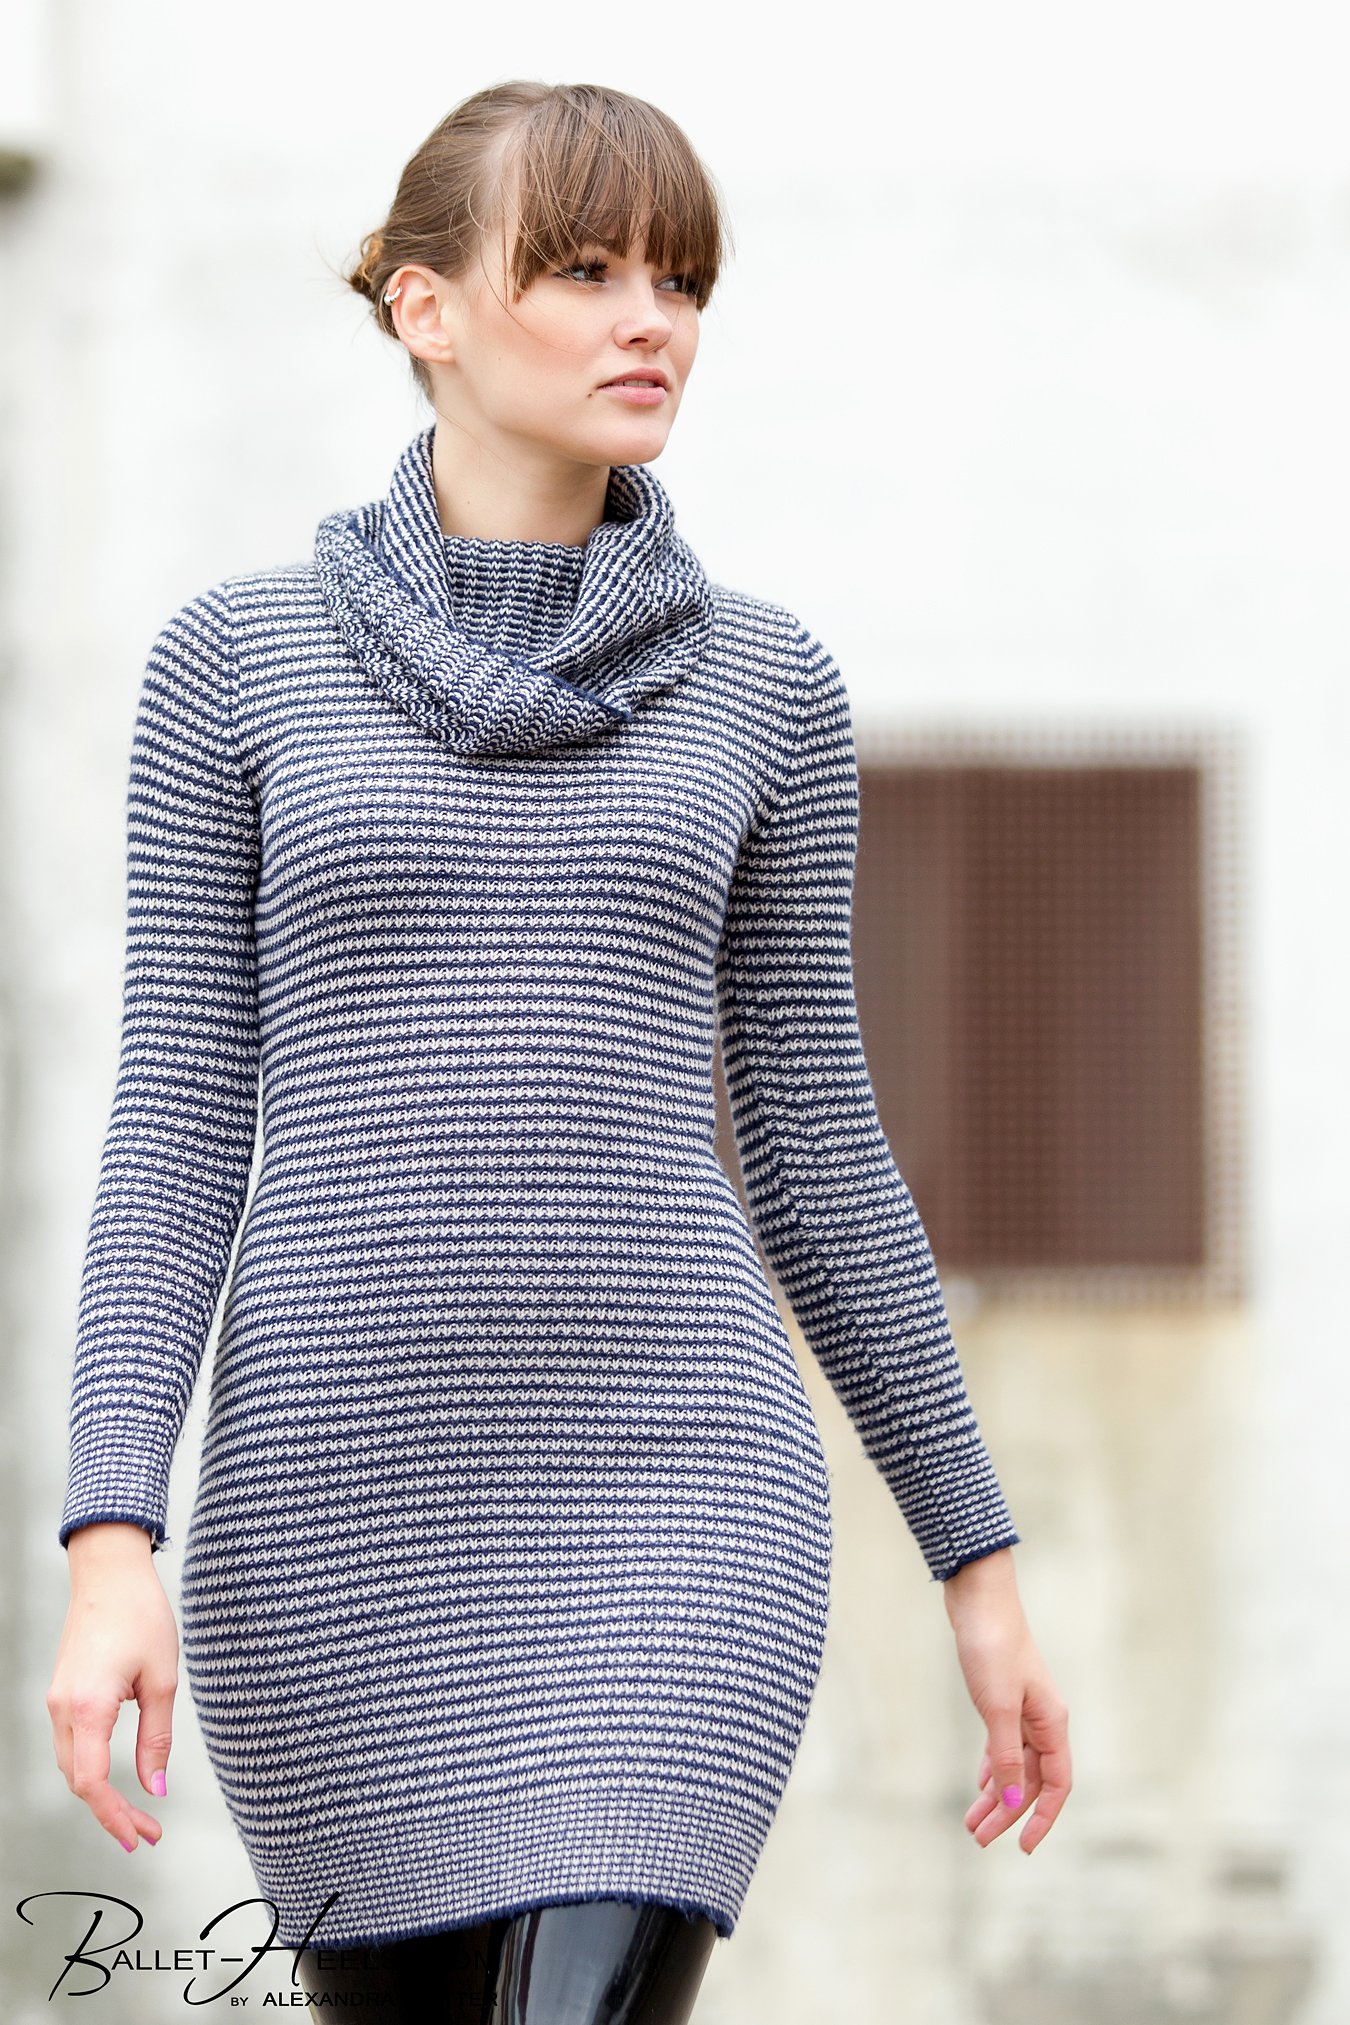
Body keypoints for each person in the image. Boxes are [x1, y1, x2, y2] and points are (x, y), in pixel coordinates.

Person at [46, 79, 1072, 2022]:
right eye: (587, 269)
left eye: (682, 280)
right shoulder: (233, 666)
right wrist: (114, 1533)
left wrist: (978, 1557)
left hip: (675, 1491)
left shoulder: (768, 686)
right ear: (425, 306)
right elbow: (178, 1118)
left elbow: (820, 1150)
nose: (649, 321)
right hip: (331, 1511)